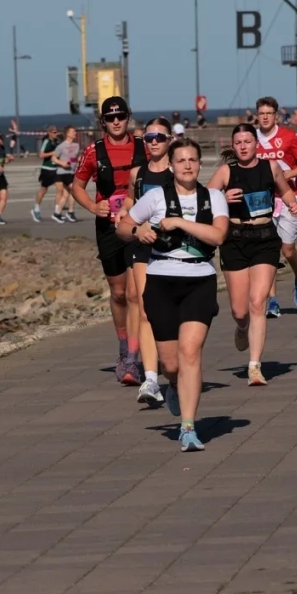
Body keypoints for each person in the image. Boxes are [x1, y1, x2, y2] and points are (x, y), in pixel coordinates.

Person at [116, 138, 229, 451]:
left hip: (199, 280)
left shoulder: (214, 197)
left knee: (191, 352)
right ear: (171, 166)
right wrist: (138, 231)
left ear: (200, 164)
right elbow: (123, 227)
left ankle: (189, 427)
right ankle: (173, 386)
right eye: (182, 161)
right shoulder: (155, 197)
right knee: (171, 364)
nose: (188, 165)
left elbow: (219, 235)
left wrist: (178, 222)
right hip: (161, 280)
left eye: (193, 160)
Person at [208, 124, 297, 386]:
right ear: (233, 145)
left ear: (256, 143)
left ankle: (255, 366)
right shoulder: (226, 171)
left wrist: (293, 205)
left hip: (265, 239)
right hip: (235, 240)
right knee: (240, 311)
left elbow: (284, 190)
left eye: (248, 141)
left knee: (258, 302)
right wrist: (223, 197)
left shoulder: (270, 168)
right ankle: (241, 327)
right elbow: (204, 199)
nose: (243, 146)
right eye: (238, 143)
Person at [72, 96, 148, 385]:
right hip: (108, 229)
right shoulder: (93, 151)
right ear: (102, 121)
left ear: (128, 117)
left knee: (136, 293)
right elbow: (77, 186)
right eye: (110, 117)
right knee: (118, 294)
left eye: (121, 116)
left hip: (138, 226)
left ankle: (135, 358)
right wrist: (93, 207)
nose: (116, 121)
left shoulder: (143, 146)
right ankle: (123, 349)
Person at [120, 117, 175, 404]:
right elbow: (131, 202)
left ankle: (171, 363)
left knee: (170, 311)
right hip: (143, 246)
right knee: (143, 307)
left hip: (173, 249)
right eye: (149, 137)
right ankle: (151, 379)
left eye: (160, 137)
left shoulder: (179, 171)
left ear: (170, 141)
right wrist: (127, 219)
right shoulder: (137, 174)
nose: (154, 141)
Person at [254, 96, 297, 316]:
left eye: (269, 113)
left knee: (287, 251)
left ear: (276, 115)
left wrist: (288, 174)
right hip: (263, 201)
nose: (265, 117)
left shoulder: (289, 136)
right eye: (262, 113)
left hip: (289, 198)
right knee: (269, 251)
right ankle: (273, 300)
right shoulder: (252, 139)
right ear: (257, 115)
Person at [51, 126, 80, 222]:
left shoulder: (76, 145)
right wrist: (62, 163)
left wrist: (79, 161)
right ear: (68, 134)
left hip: (72, 172)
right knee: (74, 190)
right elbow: (53, 158)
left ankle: (57, 213)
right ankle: (70, 212)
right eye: (73, 131)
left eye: (75, 131)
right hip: (63, 172)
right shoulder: (61, 146)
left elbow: (75, 158)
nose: (75, 133)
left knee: (67, 194)